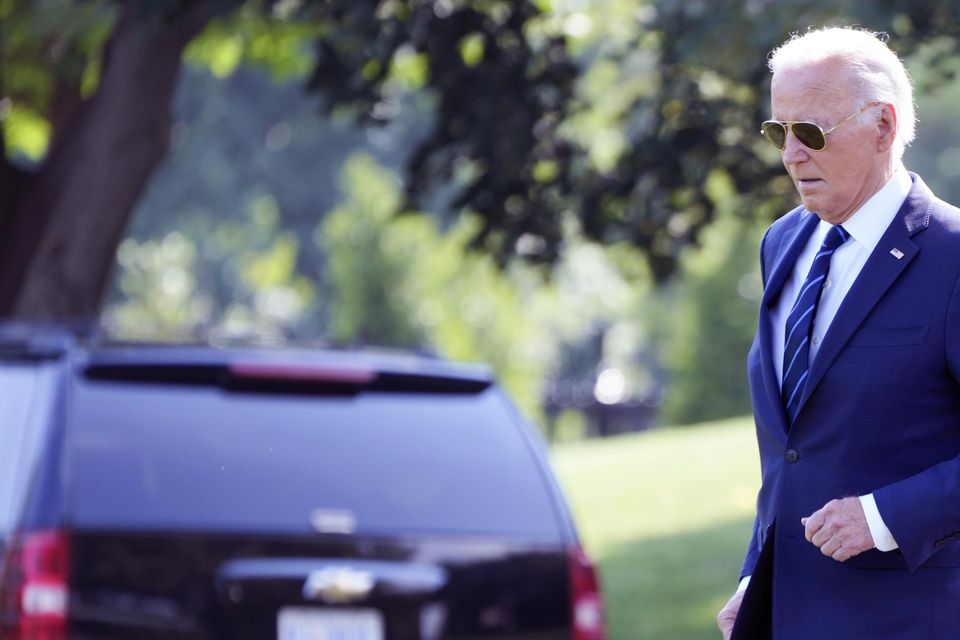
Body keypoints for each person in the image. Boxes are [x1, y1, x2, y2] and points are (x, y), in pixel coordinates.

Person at [716, 26, 960, 639]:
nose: (790, 154)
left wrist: (883, 516)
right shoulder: (782, 242)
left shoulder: (953, 255)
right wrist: (755, 577)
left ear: (883, 125)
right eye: (778, 131)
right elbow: (791, 448)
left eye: (812, 132)